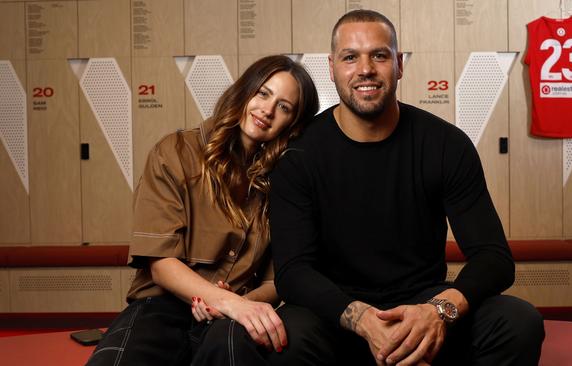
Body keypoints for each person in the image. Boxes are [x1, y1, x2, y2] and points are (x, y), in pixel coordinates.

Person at [268, 10, 545, 366]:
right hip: (338, 313)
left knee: (518, 323)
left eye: (379, 55)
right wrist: (364, 320)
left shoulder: (445, 144)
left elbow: (494, 259)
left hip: (422, 308)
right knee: (287, 338)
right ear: (332, 67)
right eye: (350, 57)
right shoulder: (299, 155)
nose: (365, 68)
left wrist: (437, 311)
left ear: (398, 64)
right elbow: (293, 272)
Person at [86, 55, 319, 366]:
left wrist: (237, 305)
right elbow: (161, 262)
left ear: (291, 124)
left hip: (235, 317)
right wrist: (221, 300)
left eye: (284, 107)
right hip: (162, 305)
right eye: (263, 93)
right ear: (245, 91)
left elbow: (278, 279)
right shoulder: (175, 153)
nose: (267, 110)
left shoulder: (283, 180)